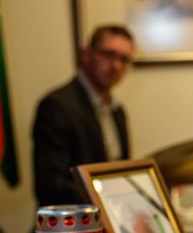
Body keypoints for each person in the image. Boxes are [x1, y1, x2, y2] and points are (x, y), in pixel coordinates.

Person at [32, 25, 134, 207]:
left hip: (109, 215)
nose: (116, 65)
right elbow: (51, 188)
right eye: (108, 54)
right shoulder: (57, 106)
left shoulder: (117, 111)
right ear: (86, 54)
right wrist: (107, 199)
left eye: (124, 59)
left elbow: (121, 172)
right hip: (76, 220)